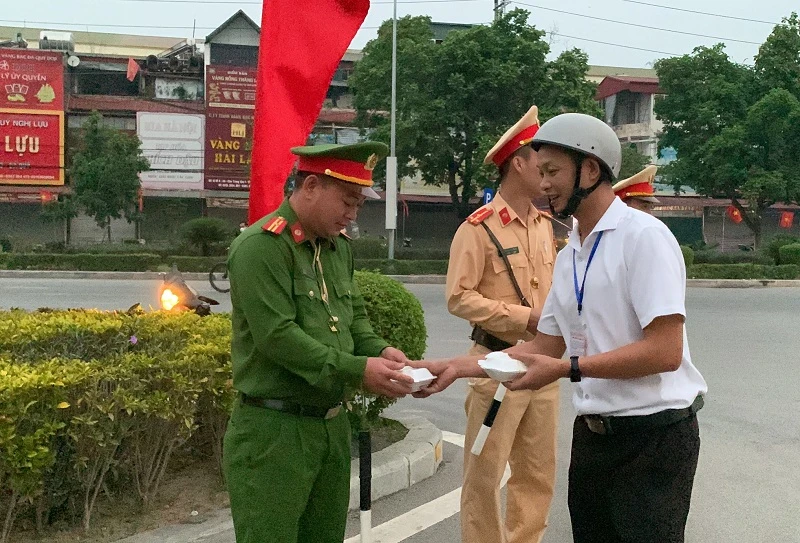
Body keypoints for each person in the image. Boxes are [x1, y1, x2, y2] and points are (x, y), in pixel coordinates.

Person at [417, 113, 707, 543]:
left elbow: (664, 352)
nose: (544, 183)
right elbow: (541, 347)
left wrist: (567, 369)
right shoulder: (572, 251)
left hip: (654, 437)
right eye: (540, 171)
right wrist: (455, 367)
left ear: (590, 170)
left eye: (552, 172)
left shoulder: (644, 237)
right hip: (594, 437)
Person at [223, 141, 414, 543]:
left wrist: (379, 351)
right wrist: (358, 370)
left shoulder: (337, 249)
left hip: (330, 426)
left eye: (359, 204)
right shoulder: (261, 248)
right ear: (310, 186)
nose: (353, 213)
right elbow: (277, 337)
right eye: (347, 201)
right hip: (274, 432)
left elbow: (353, 320)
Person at [446, 105, 558, 543]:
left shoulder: (546, 225)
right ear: (518, 162)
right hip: (494, 367)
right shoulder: (477, 229)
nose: (547, 174)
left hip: (542, 369)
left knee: (537, 475)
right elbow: (458, 296)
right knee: (484, 474)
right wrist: (522, 316)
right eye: (541, 162)